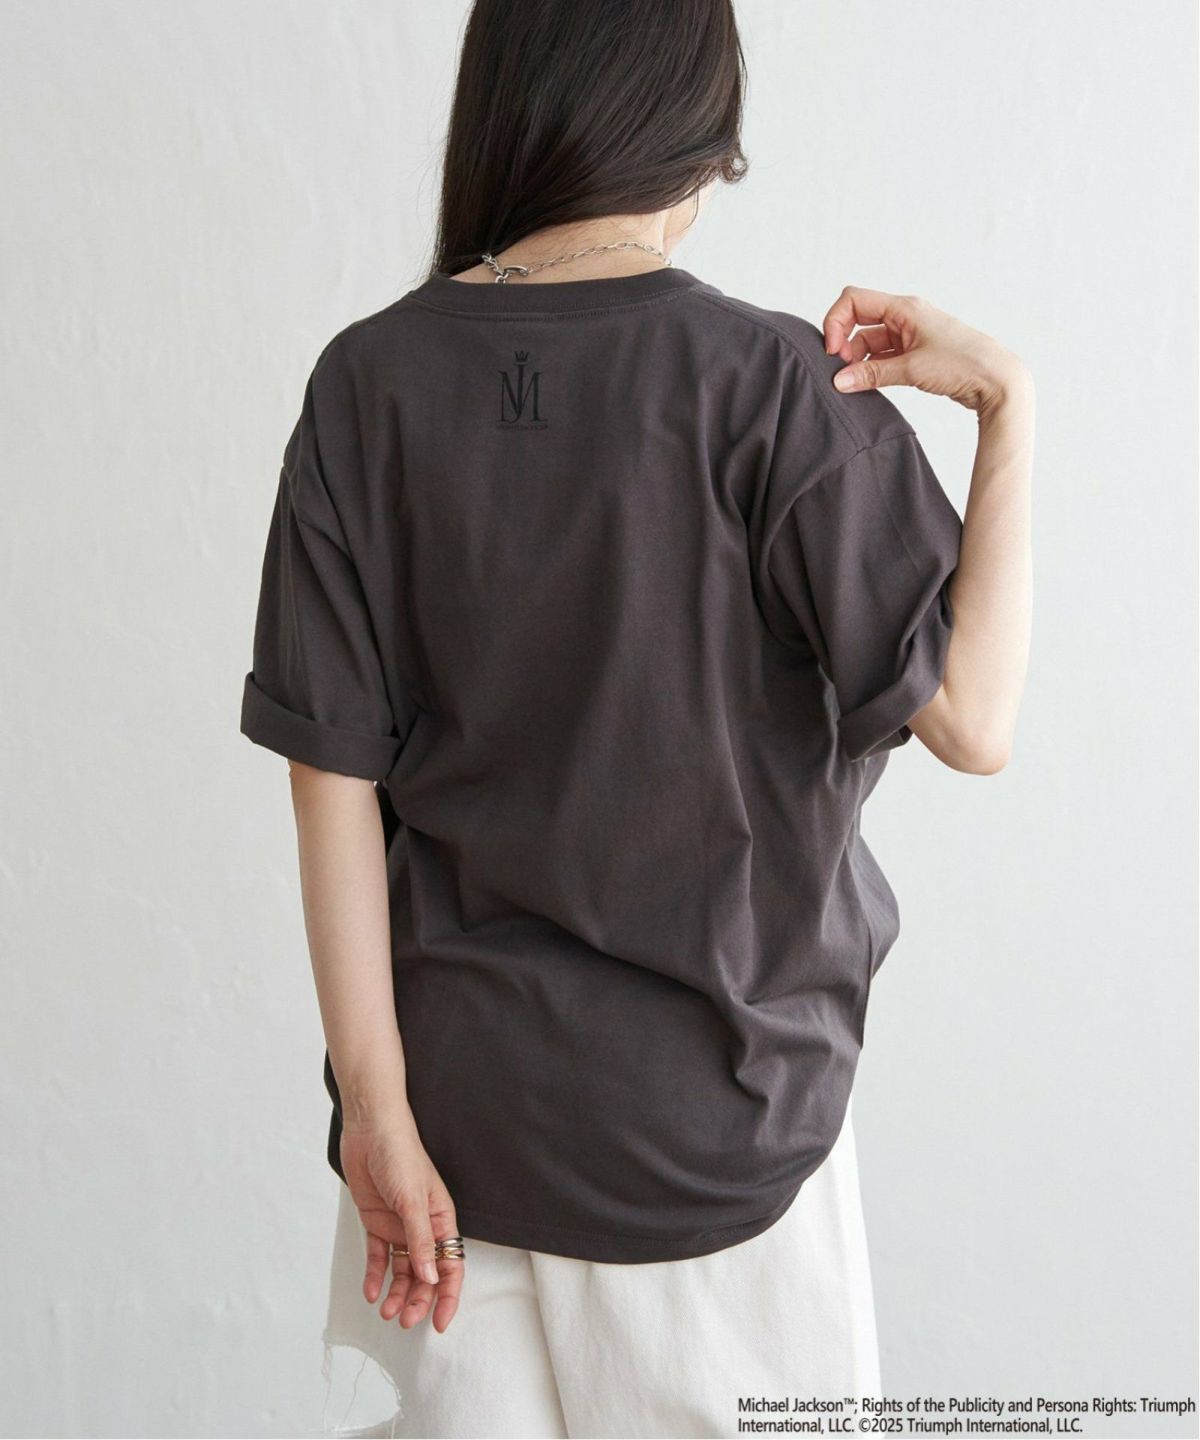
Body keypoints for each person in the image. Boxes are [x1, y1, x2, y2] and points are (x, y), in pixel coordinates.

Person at [238, 1, 1035, 1435]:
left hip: (450, 1154)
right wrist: (1009, 404)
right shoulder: (774, 389)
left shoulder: (367, 385)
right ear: (698, 136)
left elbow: (331, 787)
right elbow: (975, 720)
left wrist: (377, 1116)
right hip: (718, 1153)